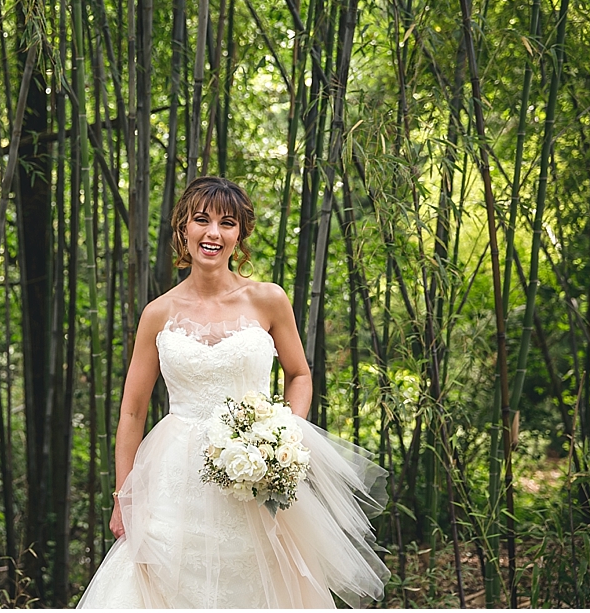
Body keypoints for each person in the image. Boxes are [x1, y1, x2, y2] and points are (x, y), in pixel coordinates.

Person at [77, 176, 389, 608]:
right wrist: (122, 497)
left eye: (226, 223)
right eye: (201, 220)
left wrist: (283, 433)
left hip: (255, 470)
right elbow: (132, 413)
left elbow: (299, 374)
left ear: (239, 233)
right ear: (183, 229)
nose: (213, 233)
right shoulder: (158, 313)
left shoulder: (268, 299)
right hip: (174, 473)